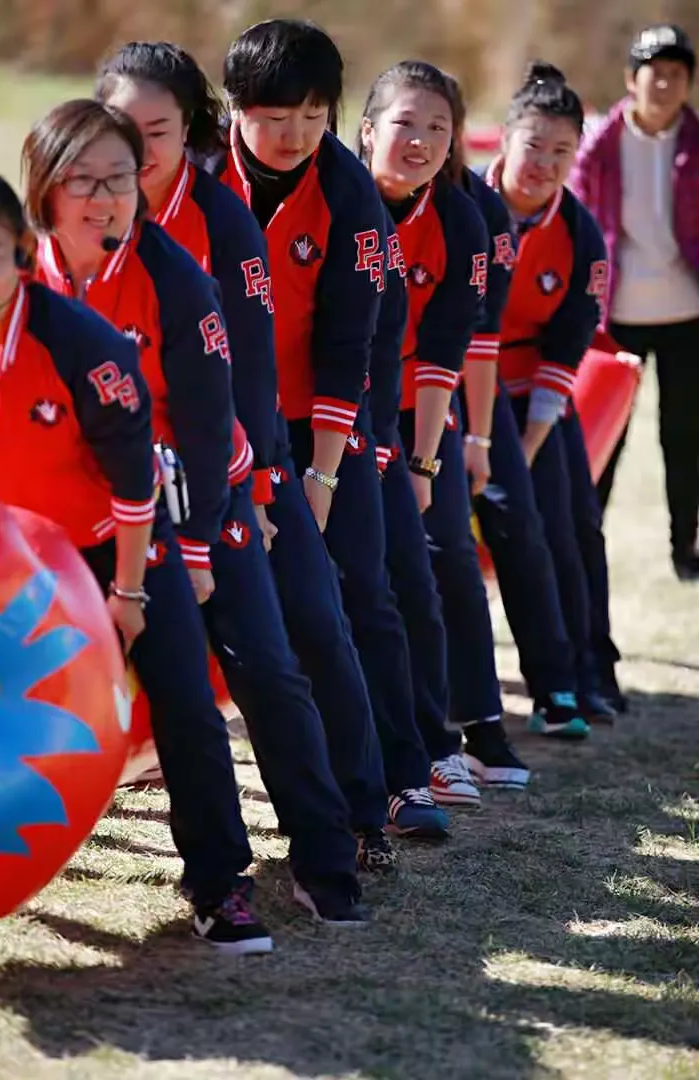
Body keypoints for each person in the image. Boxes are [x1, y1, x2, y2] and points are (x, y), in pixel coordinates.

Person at [23, 99, 369, 928]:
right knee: (176, 692)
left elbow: (213, 424)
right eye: (85, 181)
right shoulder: (20, 277)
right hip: (95, 513)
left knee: (262, 668)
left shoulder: (175, 277)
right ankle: (216, 874)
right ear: (44, 190)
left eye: (123, 178)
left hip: (203, 496)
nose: (107, 198)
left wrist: (203, 545)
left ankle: (323, 855)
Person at [95, 41, 396, 874]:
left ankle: (358, 813)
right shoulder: (79, 200)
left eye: (157, 130)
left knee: (314, 616)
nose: (138, 149)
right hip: (115, 465)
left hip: (242, 451)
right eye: (123, 128)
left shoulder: (230, 212)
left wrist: (278, 485)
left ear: (186, 126)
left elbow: (262, 368)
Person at [0, 170, 272, 955]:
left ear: (24, 253)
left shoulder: (85, 344)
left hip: (117, 544)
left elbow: (137, 483)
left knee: (183, 700)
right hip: (7, 560)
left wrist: (131, 592)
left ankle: (219, 887)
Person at [214, 19, 448, 838]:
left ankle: (401, 775)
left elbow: (354, 346)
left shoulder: (348, 195)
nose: (296, 134)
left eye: (315, 115)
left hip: (331, 413)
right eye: (278, 114)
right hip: (221, 417)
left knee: (364, 581)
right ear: (236, 109)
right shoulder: (200, 180)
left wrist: (320, 477)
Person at [357, 59, 531, 786]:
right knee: (365, 574)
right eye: (405, 123)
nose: (421, 141)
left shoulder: (463, 216)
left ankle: (470, 730)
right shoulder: (335, 196)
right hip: (324, 406)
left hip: (416, 409)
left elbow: (450, 351)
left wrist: (435, 460)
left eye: (438, 128)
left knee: (446, 556)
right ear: (367, 130)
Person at [443, 72, 617, 733]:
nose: (544, 164)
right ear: (504, 139)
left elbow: (564, 355)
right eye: (534, 145)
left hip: (530, 402)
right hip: (445, 390)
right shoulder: (457, 200)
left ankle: (569, 682)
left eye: (561, 152)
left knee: (561, 526)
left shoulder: (580, 236)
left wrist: (518, 450)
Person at [570, 24, 699, 584]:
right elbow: (574, 220)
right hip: (614, 314)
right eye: (655, 72)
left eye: (678, 74)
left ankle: (684, 549)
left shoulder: (696, 144)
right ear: (631, 79)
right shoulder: (597, 147)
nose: (666, 84)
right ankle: (582, 539)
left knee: (685, 437)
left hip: (686, 311)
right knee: (601, 434)